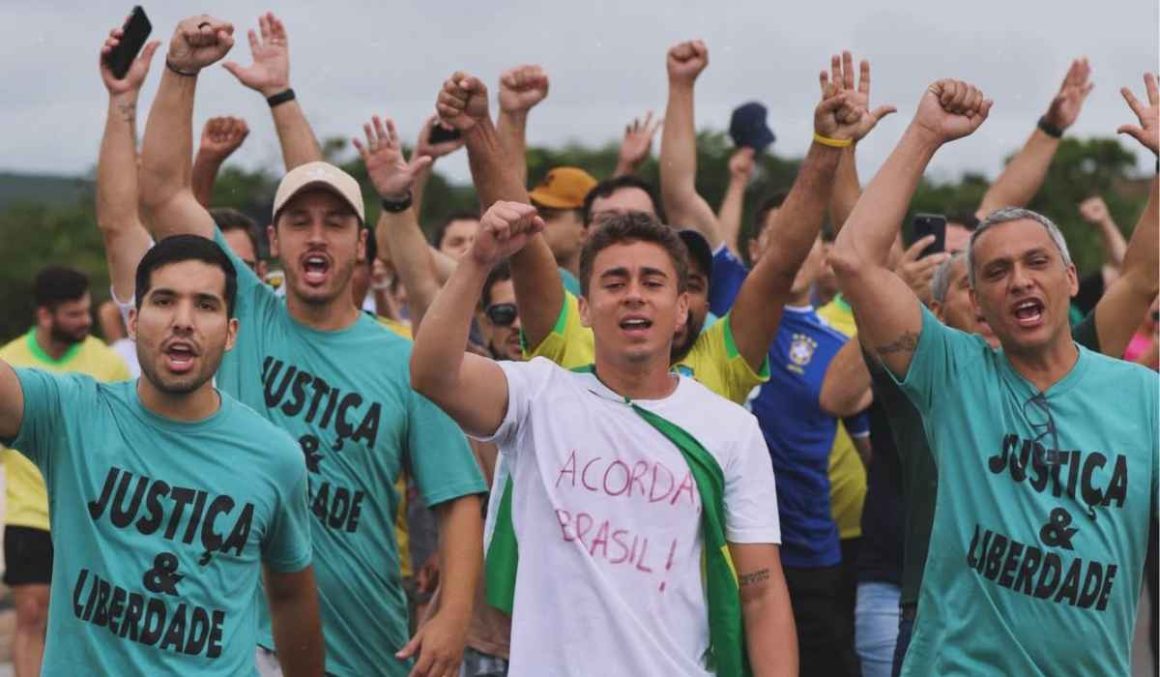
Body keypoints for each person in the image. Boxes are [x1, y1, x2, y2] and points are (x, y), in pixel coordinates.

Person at [136, 14, 486, 676]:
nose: (317, 236)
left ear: (362, 245)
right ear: (274, 242)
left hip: (363, 640)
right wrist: (180, 70)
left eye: (335, 223)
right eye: (299, 222)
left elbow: (457, 494)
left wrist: (453, 613)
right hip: (236, 635)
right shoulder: (246, 312)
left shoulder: (406, 359)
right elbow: (159, 194)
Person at [830, 75, 1158, 676]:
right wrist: (924, 134)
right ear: (977, 301)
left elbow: (1143, 272)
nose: (1020, 280)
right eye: (997, 272)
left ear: (1070, 278)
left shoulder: (1142, 396)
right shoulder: (952, 375)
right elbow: (853, 259)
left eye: (1037, 262)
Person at [411, 205, 797, 675]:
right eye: (614, 284)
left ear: (681, 308)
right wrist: (477, 260)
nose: (634, 296)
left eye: (652, 283)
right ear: (585, 309)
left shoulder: (729, 428)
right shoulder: (537, 397)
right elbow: (431, 373)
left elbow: (761, 591)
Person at [1, 225, 323, 673]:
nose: (183, 320)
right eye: (165, 300)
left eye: (205, 305)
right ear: (133, 321)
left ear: (231, 333)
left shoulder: (275, 458)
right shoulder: (71, 415)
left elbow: (291, 596)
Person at [0, 266, 130, 677]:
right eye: (74, 314)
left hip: (90, 517)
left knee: (92, 620)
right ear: (45, 315)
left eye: (86, 311)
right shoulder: (9, 364)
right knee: (32, 614)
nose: (85, 321)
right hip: (30, 514)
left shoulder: (107, 364)